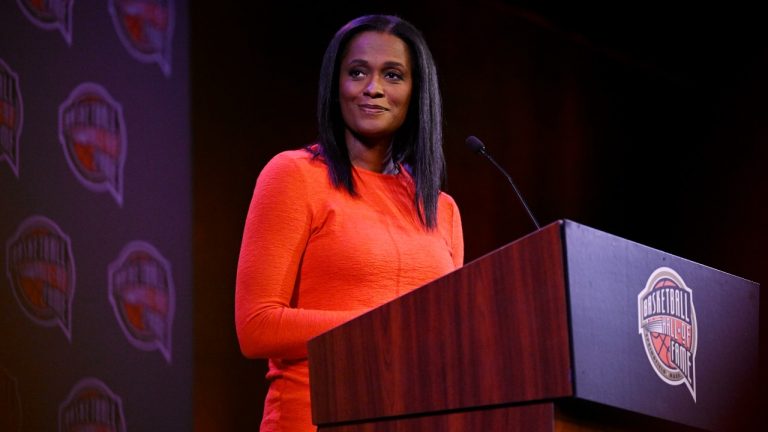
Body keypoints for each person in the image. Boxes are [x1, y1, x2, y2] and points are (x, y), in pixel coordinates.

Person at [235, 14, 464, 432]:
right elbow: (257, 326)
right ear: (335, 86)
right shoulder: (295, 174)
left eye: (393, 75)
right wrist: (390, 327)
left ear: (416, 93)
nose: (372, 88)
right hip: (318, 418)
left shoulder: (441, 208)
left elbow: (447, 334)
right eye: (357, 72)